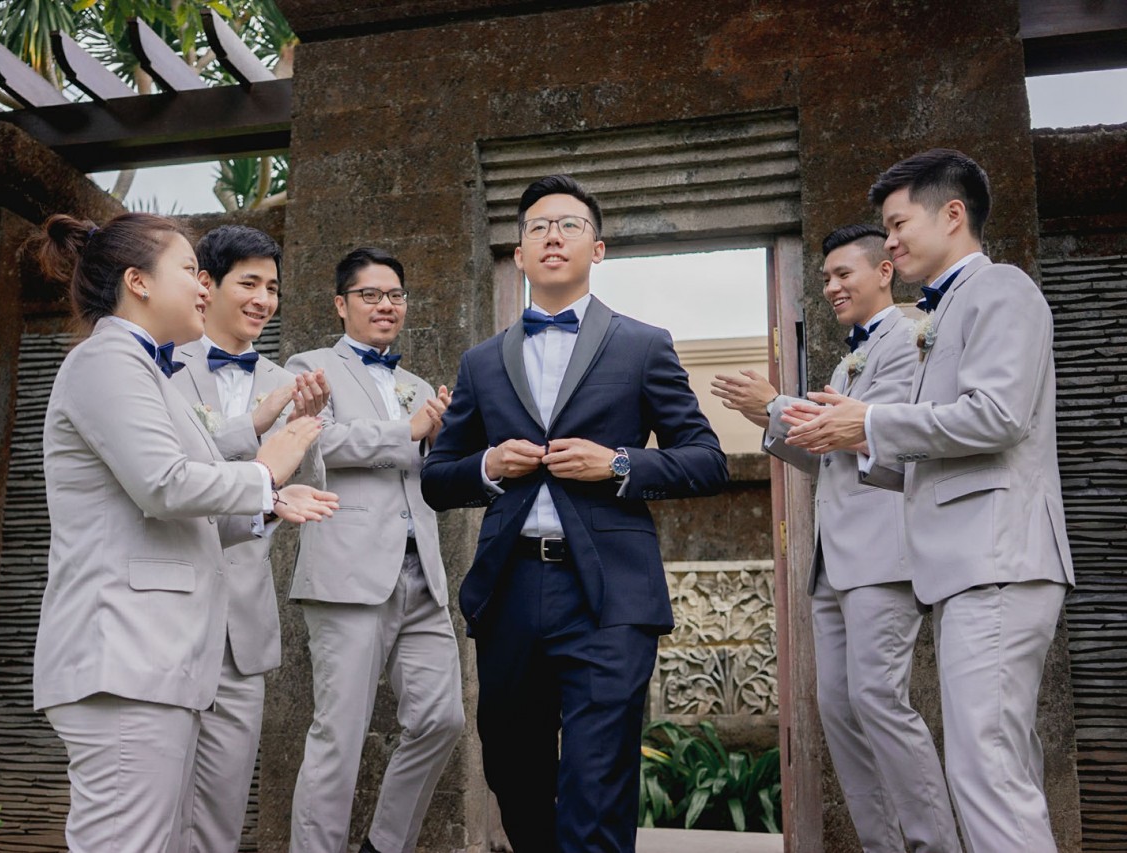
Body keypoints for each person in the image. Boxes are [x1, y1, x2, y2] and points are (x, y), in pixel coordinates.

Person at [421, 175, 728, 853]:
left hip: (610, 593)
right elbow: (437, 479)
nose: (552, 236)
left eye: (569, 225)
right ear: (519, 255)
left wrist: (616, 464)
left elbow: (706, 460)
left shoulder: (643, 345)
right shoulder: (481, 362)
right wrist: (488, 465)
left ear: (598, 249)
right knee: (513, 769)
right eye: (537, 227)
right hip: (510, 589)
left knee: (597, 780)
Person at [782, 149, 1076, 853]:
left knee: (986, 771)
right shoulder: (942, 313)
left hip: (997, 555)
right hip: (967, 566)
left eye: (897, 224)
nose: (890, 242)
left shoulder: (1001, 288)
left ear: (952, 214)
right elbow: (926, 454)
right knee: (992, 765)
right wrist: (856, 434)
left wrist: (871, 424)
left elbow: (998, 415)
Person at [31, 212, 338, 853]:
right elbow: (165, 484)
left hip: (156, 661)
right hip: (125, 657)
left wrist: (269, 503)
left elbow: (178, 508)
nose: (202, 286)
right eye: (189, 271)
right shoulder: (106, 361)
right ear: (138, 282)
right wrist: (265, 470)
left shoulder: (145, 370)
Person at [712, 224, 960, 853]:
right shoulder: (848, 360)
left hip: (882, 555)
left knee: (879, 700)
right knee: (840, 711)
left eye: (843, 274)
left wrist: (777, 404)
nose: (830, 287)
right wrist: (769, 417)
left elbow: (880, 438)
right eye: (825, 278)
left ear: (884, 271)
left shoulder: (910, 340)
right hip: (833, 561)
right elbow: (828, 453)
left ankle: (935, 845)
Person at [285, 247, 464, 853]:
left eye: (395, 295)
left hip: (422, 576)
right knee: (338, 736)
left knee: (442, 719)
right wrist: (408, 431)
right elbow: (315, 441)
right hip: (347, 575)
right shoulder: (308, 367)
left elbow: (427, 472)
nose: (386, 305)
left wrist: (441, 440)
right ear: (341, 304)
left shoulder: (418, 387)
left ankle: (384, 846)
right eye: (370, 295)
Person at [170, 225, 329, 852]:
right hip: (169, 614)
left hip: (243, 623)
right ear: (206, 285)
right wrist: (254, 432)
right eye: (250, 284)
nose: (264, 300)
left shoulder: (288, 381)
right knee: (154, 803)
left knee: (223, 809)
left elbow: (309, 485)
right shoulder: (160, 365)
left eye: (273, 288)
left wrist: (306, 427)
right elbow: (171, 478)